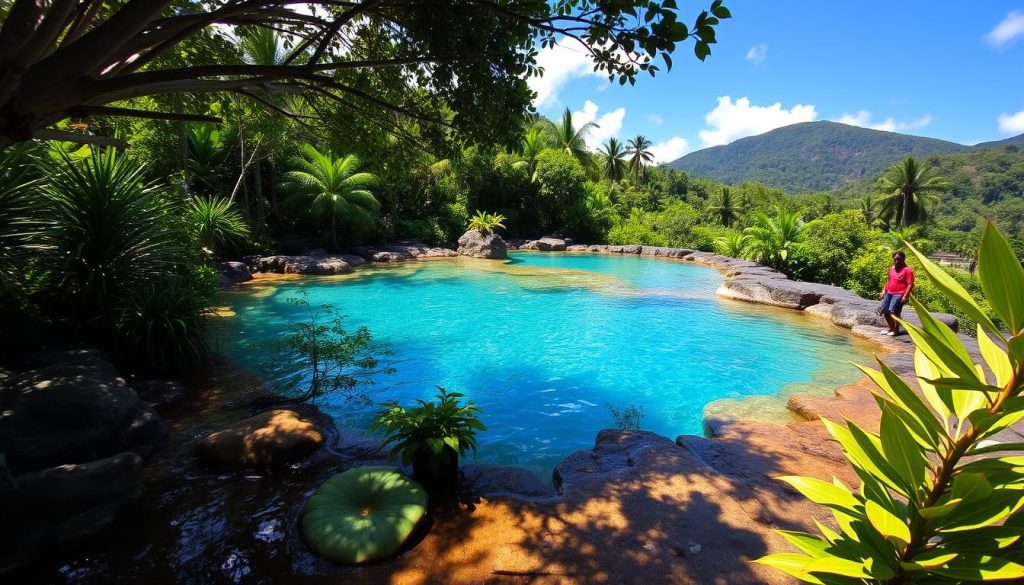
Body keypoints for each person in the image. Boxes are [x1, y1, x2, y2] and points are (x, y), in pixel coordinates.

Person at [880, 251, 914, 336]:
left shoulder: (908, 270)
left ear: (903, 259)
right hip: (889, 293)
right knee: (885, 311)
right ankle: (891, 328)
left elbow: (910, 284)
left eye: (898, 259)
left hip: (899, 294)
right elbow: (888, 280)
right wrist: (883, 290)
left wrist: (905, 296)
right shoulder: (891, 269)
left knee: (894, 312)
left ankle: (896, 330)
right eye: (895, 259)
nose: (896, 261)